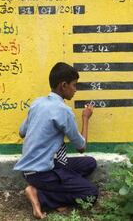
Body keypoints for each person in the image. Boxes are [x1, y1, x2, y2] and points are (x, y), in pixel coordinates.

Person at [14, 62, 98, 219]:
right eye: (74, 85)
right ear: (63, 85)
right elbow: (81, 147)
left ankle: (58, 186)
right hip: (42, 173)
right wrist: (85, 118)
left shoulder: (37, 103)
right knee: (91, 193)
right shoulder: (64, 111)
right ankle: (39, 194)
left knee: (89, 163)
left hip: (30, 170)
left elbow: (21, 132)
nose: (75, 90)